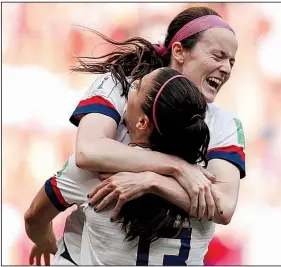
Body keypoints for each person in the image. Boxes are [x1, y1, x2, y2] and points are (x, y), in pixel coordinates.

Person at [27, 6, 245, 265]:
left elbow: (224, 207)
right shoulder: (120, 86)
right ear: (179, 51)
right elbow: (88, 151)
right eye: (218, 56)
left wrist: (152, 181)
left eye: (231, 61)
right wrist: (176, 168)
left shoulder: (223, 122)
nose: (227, 69)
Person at [25, 67, 216, 265]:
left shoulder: (98, 170)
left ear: (143, 122)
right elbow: (225, 209)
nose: (128, 90)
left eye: (136, 87)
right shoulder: (207, 185)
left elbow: (34, 217)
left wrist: (44, 240)